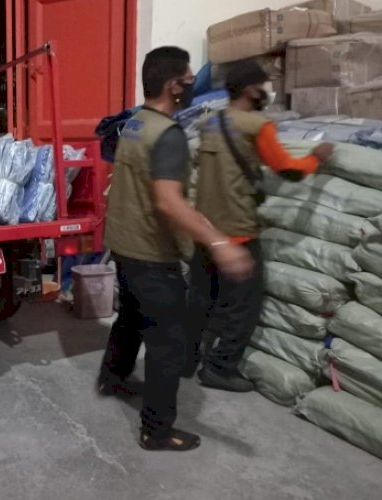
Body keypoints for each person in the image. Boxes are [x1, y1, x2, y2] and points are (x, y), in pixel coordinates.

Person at [97, 46, 254, 452]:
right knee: (167, 344)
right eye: (187, 79)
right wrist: (219, 243)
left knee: (130, 315)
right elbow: (169, 201)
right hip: (151, 251)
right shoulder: (167, 135)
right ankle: (158, 431)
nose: (192, 85)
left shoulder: (135, 123)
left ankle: (112, 378)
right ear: (173, 85)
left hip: (125, 242)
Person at [187, 60, 333, 392]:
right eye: (265, 86)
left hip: (205, 231)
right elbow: (290, 171)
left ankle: (184, 359)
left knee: (199, 300)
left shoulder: (209, 122)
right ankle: (220, 368)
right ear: (253, 90)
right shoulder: (257, 126)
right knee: (244, 307)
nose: (267, 92)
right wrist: (318, 157)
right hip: (238, 232)